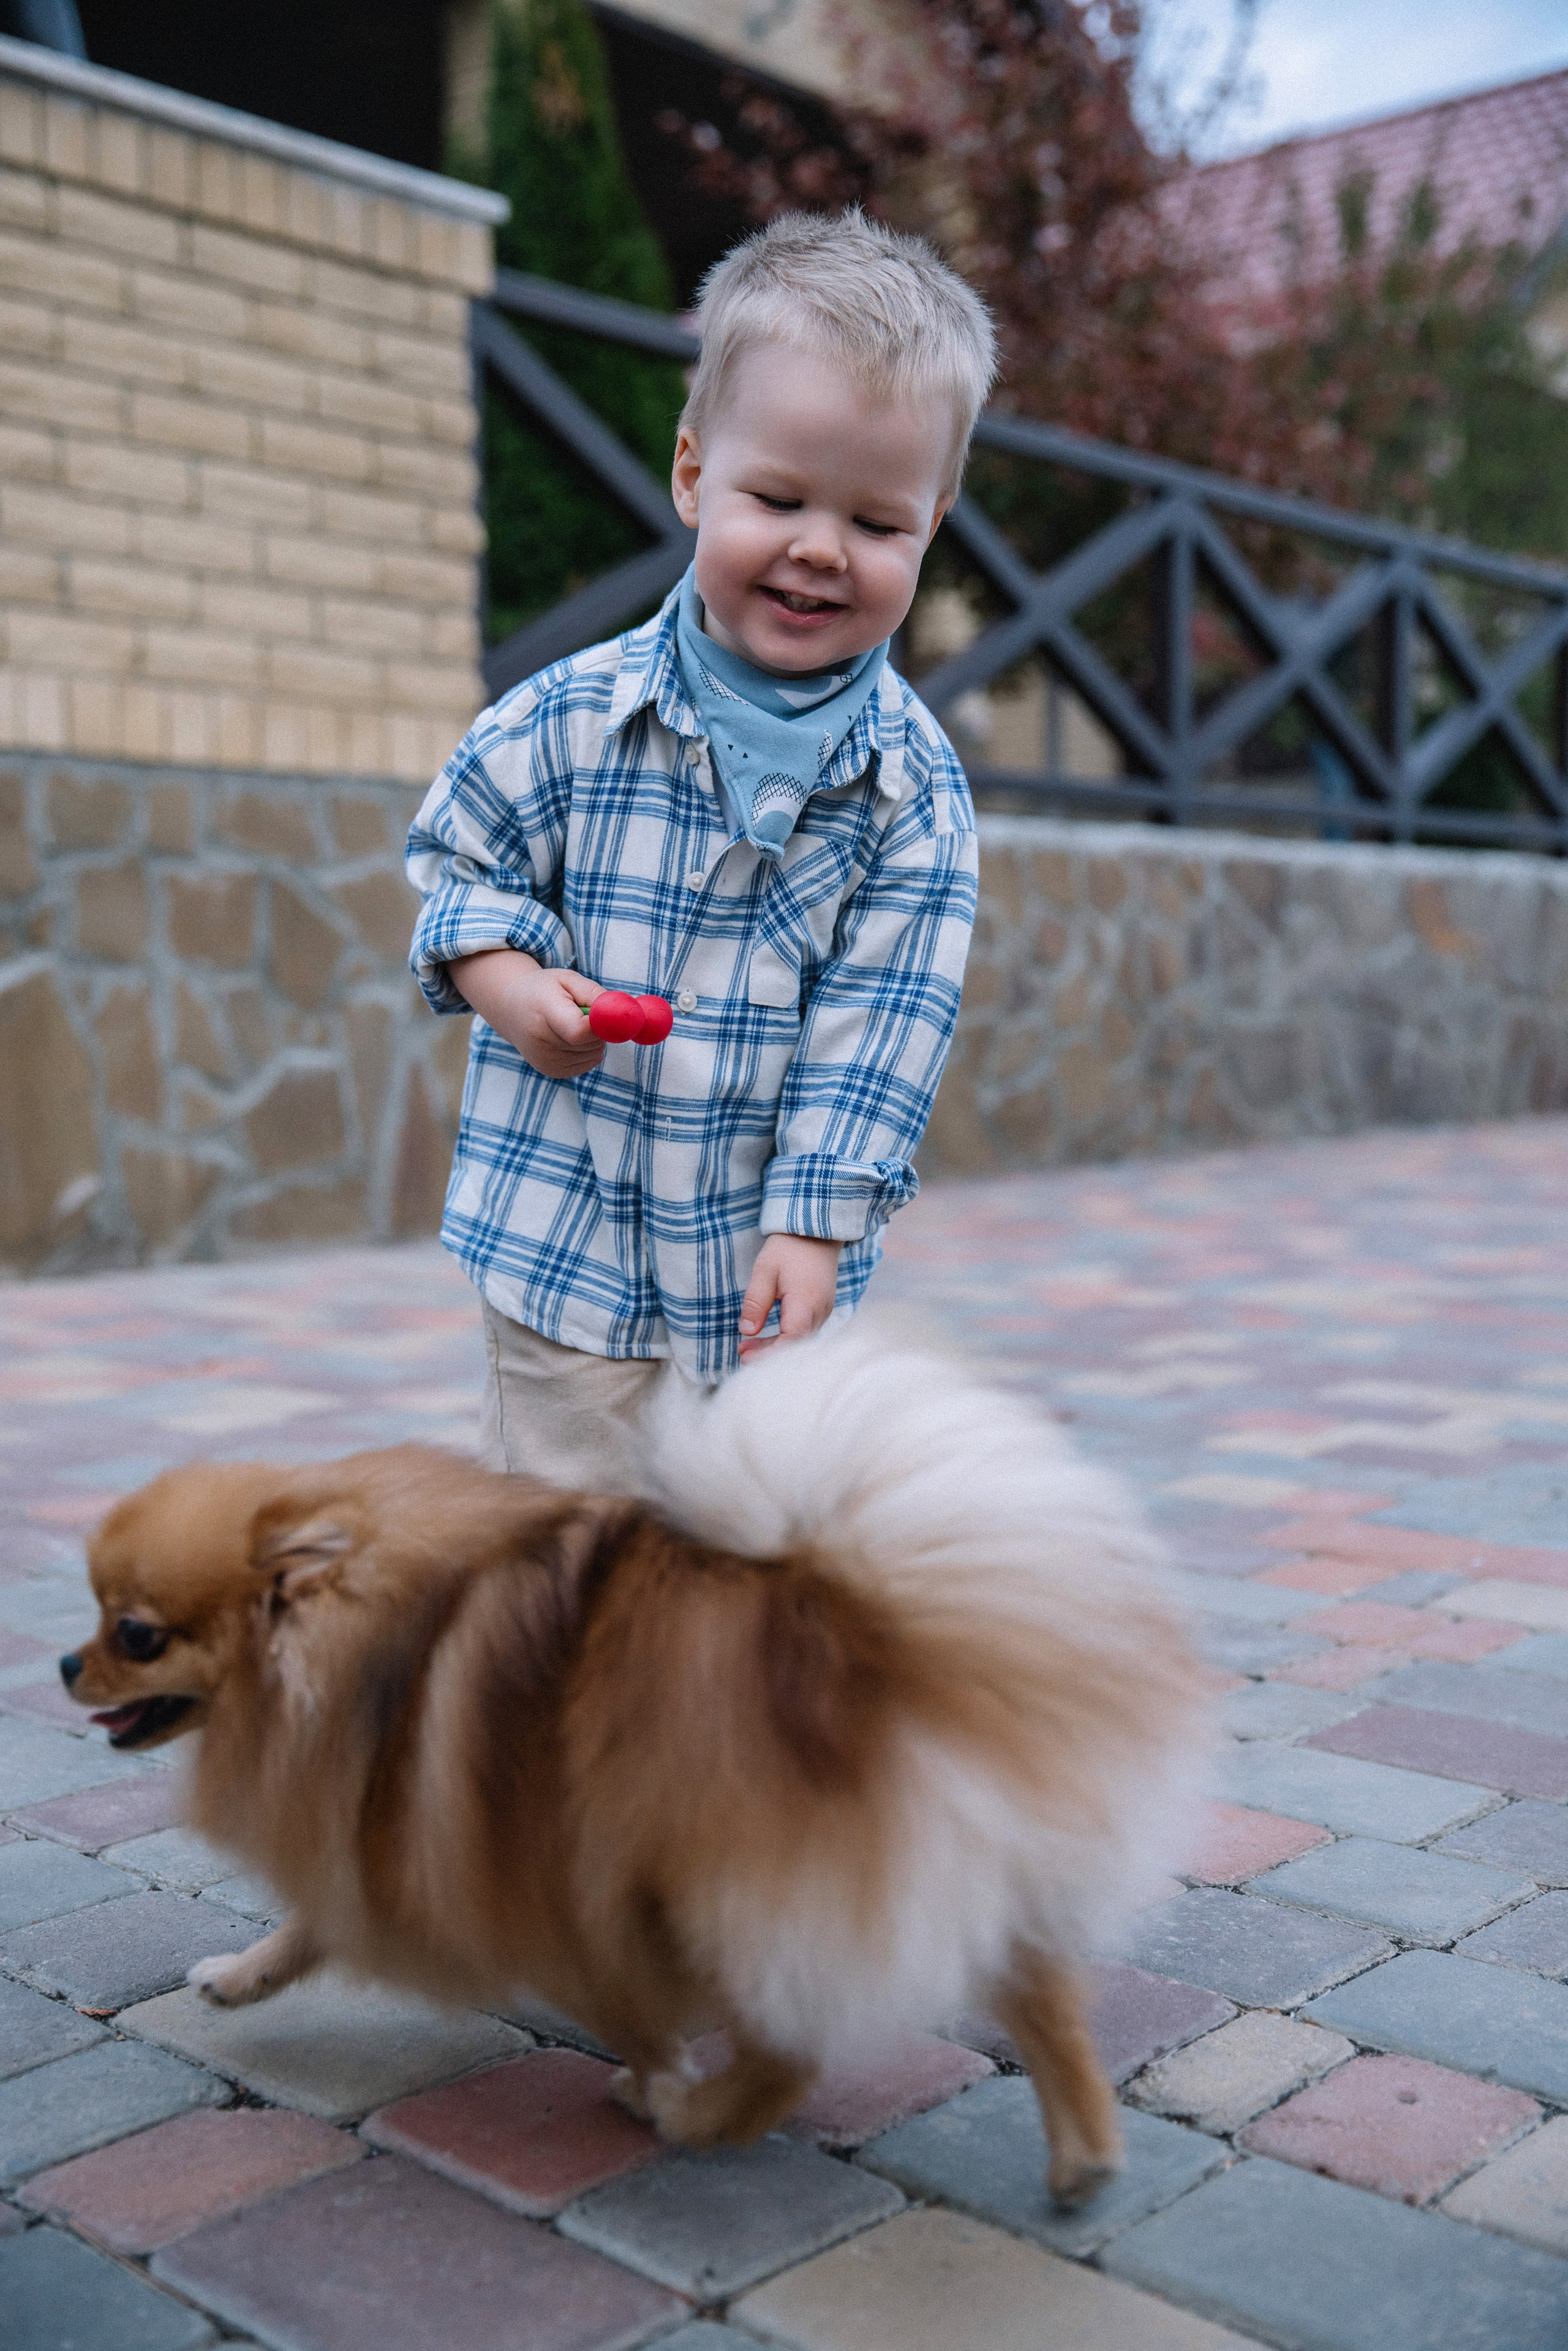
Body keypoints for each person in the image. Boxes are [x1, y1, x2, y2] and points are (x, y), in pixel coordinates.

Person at [407, 208, 996, 1487]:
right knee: (558, 1572)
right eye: (776, 497)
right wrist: (513, 989)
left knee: (730, 1572)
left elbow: (883, 1027)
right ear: (691, 475)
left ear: (933, 519)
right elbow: (455, 868)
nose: (818, 549)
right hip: (558, 1237)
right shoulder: (563, 718)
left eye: (876, 524)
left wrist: (815, 1221)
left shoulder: (913, 796)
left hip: (754, 1274)